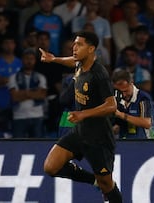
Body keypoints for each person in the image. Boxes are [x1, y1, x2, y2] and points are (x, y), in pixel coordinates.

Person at [40, 31, 122, 202]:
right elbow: (71, 61)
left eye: (79, 44)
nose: (74, 47)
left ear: (91, 49)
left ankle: (105, 187)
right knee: (51, 167)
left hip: (99, 137)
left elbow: (112, 105)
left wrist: (83, 113)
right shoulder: (79, 64)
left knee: (107, 184)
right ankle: (93, 181)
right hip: (80, 131)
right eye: (74, 43)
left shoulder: (99, 73)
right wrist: (54, 59)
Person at [111, 69, 154, 139]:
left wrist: (121, 115)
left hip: (144, 143)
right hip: (124, 144)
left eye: (126, 90)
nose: (124, 95)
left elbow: (147, 123)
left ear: (131, 83)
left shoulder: (143, 98)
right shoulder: (116, 98)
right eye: (120, 91)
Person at [8, 48, 47, 138]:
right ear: (22, 60)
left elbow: (42, 95)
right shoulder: (13, 77)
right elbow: (14, 97)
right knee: (18, 145)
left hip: (37, 116)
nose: (29, 61)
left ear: (35, 61)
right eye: (26, 58)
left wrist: (23, 93)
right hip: (19, 116)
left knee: (37, 145)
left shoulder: (41, 77)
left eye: (31, 59)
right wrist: (33, 93)